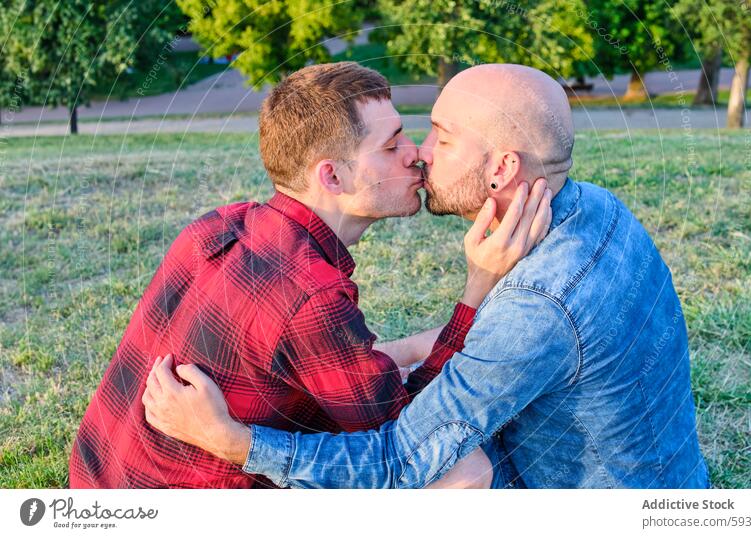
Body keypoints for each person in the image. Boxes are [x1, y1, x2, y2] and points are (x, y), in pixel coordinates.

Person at [143, 64, 710, 489]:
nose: (422, 155)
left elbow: (397, 462)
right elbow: (473, 357)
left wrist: (234, 442)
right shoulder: (599, 209)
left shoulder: (539, 301)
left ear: (502, 168)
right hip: (659, 476)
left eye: (443, 136)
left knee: (459, 476)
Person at [70, 62, 552, 489]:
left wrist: (404, 351)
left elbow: (298, 365)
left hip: (98, 481)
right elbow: (407, 443)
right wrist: (478, 285)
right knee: (463, 475)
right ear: (332, 178)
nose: (416, 154)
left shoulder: (218, 225)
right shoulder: (310, 294)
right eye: (391, 146)